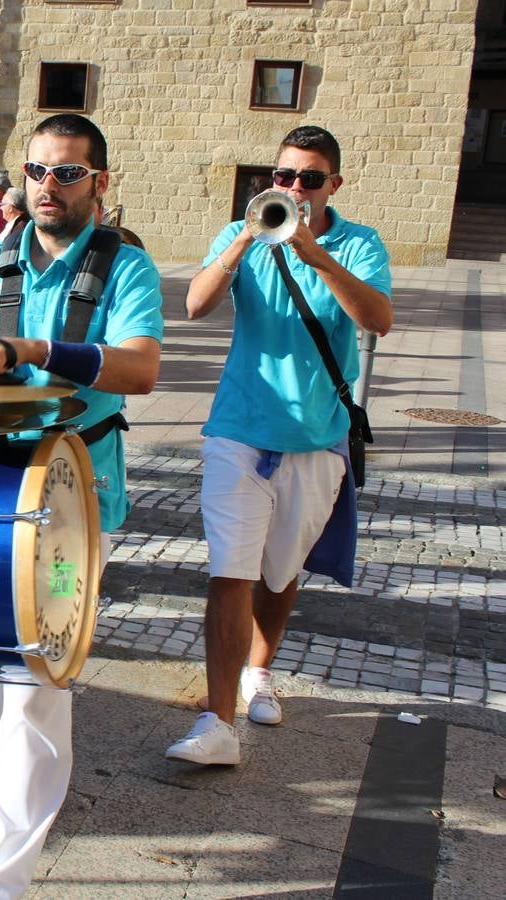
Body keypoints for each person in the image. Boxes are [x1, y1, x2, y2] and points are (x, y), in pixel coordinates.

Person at [0, 112, 164, 899]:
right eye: (37, 171)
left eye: (67, 172)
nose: (48, 186)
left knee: (32, 681)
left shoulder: (124, 267)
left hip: (73, 500)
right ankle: (10, 797)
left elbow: (140, 370)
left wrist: (36, 351)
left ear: (99, 181)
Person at [166, 125, 393, 767]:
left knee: (280, 571)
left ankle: (259, 670)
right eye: (284, 177)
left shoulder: (359, 243)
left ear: (333, 186)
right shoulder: (245, 235)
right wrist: (244, 236)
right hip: (239, 428)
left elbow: (377, 319)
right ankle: (217, 721)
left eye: (309, 179)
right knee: (230, 572)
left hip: (317, 439)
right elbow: (195, 305)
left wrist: (314, 252)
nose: (294, 189)